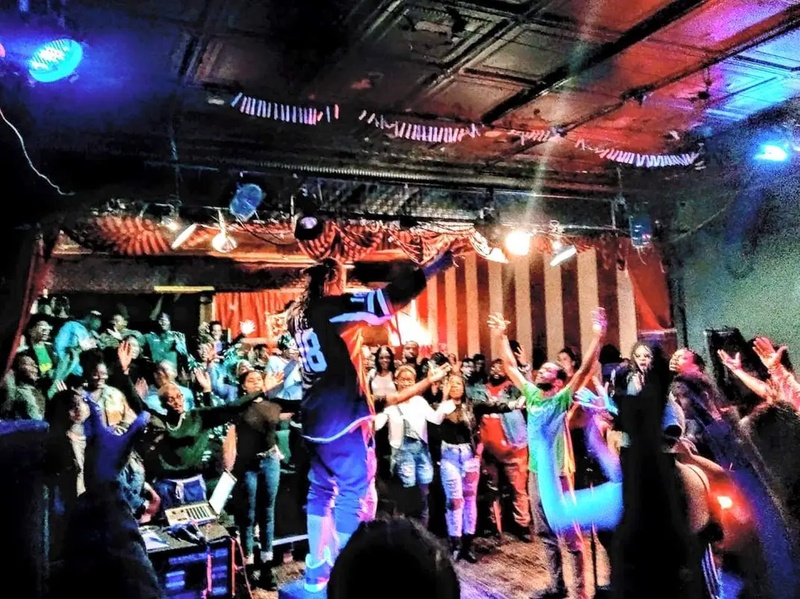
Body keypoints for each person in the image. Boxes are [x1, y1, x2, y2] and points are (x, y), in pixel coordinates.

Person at [287, 252, 454, 592]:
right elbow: (389, 298)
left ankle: (315, 571)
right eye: (344, 278)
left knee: (321, 490)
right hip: (344, 420)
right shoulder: (335, 308)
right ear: (333, 280)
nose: (347, 283)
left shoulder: (296, 316)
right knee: (353, 492)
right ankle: (347, 573)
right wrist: (434, 266)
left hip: (314, 421)